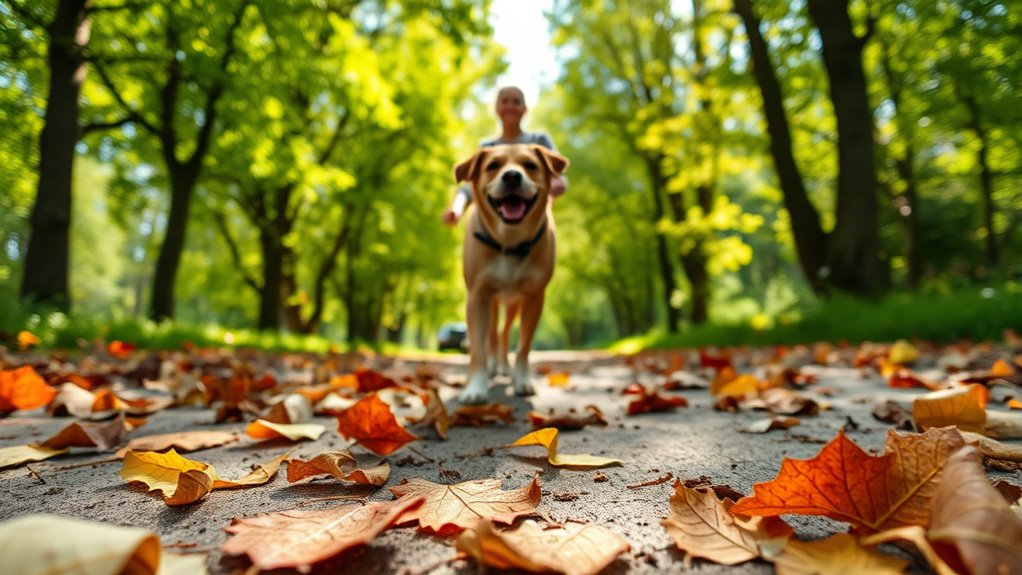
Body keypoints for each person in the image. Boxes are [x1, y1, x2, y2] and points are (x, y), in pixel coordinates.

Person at [443, 86, 567, 225]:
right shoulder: (487, 146)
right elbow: (471, 187)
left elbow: (560, 180)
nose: (510, 106)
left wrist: (545, 194)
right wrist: (456, 208)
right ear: (496, 108)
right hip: (492, 228)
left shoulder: (539, 139)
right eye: (505, 101)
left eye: (516, 102)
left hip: (535, 225)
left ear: (525, 109)